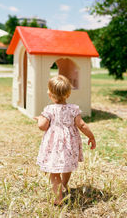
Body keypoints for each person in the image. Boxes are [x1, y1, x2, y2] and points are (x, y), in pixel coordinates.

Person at [34, 75, 96, 205]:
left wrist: (40, 118)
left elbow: (42, 126)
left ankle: (58, 198)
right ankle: (64, 184)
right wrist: (91, 136)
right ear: (68, 94)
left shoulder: (49, 109)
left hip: (54, 146)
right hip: (69, 144)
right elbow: (82, 125)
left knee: (54, 172)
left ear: (50, 94)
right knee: (66, 165)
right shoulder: (74, 109)